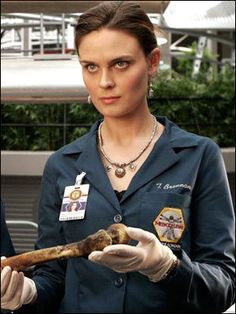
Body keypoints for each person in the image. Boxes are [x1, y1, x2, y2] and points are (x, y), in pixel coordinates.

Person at [1, 1, 235, 313]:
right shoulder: (62, 165)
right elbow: (52, 276)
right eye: (91, 66)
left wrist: (166, 268)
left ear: (152, 62)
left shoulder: (199, 157)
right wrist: (27, 293)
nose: (104, 82)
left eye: (120, 64)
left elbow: (224, 286)